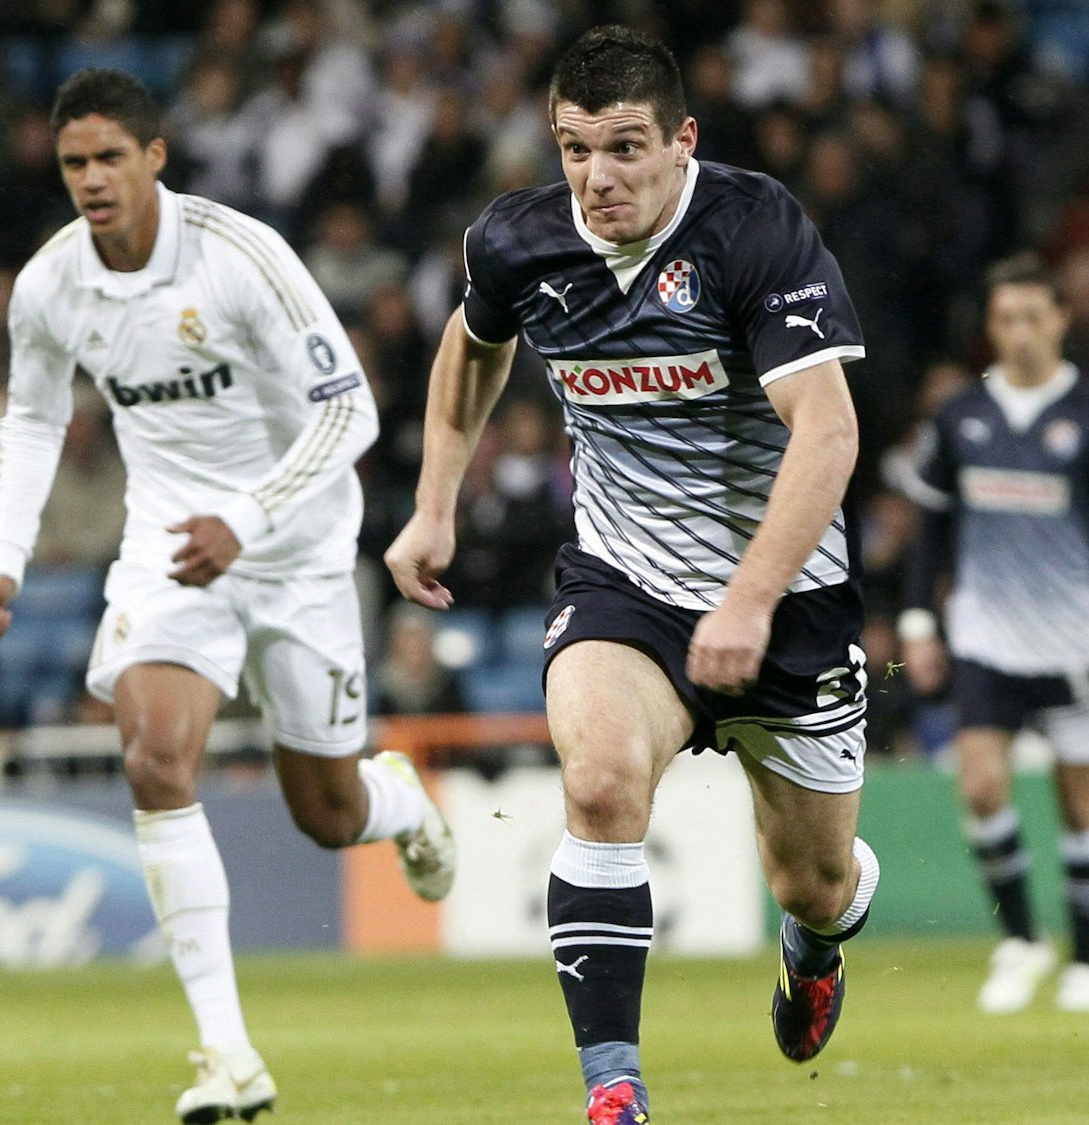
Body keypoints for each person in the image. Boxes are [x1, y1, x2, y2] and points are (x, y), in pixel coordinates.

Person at [383, 28, 879, 1124]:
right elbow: (472, 346)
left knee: (815, 882)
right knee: (600, 783)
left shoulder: (752, 228)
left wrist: (748, 597)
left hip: (783, 600)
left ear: (680, 141)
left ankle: (815, 951)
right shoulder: (515, 242)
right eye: (572, 150)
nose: (595, 178)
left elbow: (827, 433)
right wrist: (431, 504)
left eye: (622, 149)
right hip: (625, 585)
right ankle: (614, 1089)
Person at [0, 69, 455, 1124]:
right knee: (150, 755)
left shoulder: (242, 259)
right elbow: (34, 420)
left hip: (298, 547)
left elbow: (349, 414)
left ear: (155, 157)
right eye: (71, 164)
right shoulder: (50, 285)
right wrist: (2, 557)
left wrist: (253, 518)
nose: (89, 181)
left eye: (106, 159)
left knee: (325, 814)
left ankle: (398, 800)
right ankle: (226, 1054)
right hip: (169, 543)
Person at [899, 253, 1089, 1015]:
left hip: (1076, 639)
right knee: (983, 785)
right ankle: (1023, 939)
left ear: (1061, 318)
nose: (1020, 332)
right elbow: (931, 528)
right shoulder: (961, 415)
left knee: (1081, 803)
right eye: (1006, 319)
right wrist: (921, 619)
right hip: (986, 635)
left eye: (1034, 316)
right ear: (990, 327)